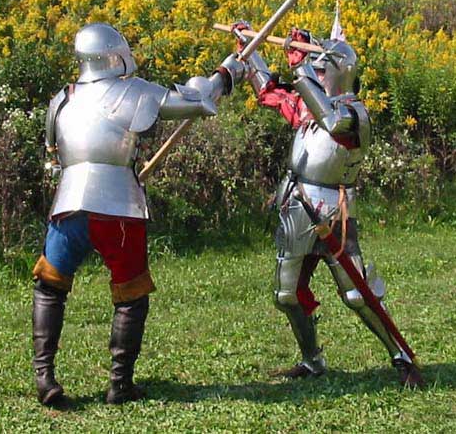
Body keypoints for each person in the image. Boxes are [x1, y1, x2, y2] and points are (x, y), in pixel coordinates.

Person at [32, 22, 247, 405]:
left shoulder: (61, 100)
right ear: (115, 54)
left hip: (67, 206)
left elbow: (53, 159)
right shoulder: (134, 91)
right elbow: (198, 101)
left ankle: (45, 377)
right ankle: (120, 384)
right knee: (130, 293)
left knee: (50, 286)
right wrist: (228, 73)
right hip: (117, 207)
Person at [232, 22, 423, 387]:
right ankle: (312, 360)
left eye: (320, 70)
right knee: (286, 294)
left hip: (335, 210)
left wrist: (300, 68)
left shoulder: (354, 113)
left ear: (337, 72)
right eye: (314, 70)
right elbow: (269, 91)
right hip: (296, 206)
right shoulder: (308, 108)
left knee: (356, 294)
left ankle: (400, 355)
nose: (315, 76)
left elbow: (332, 122)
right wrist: (249, 46)